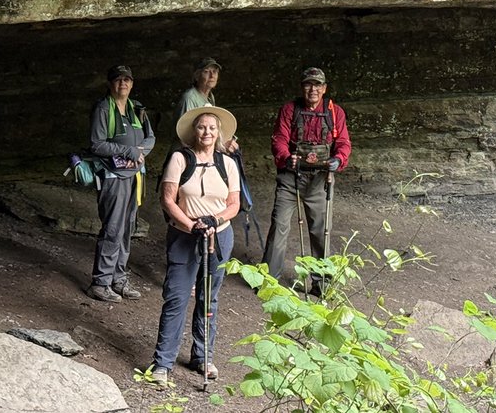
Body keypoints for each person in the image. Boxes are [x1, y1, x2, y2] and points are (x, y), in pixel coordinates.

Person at [148, 105, 241, 387]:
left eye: (212, 128)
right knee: (176, 296)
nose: (207, 132)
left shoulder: (228, 164)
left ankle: (202, 356)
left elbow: (234, 204)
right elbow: (167, 199)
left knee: (208, 297)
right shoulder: (179, 158)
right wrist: (191, 225)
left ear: (219, 133)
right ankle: (163, 362)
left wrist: (215, 220)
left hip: (218, 235)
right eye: (201, 127)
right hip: (184, 234)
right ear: (194, 131)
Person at [262, 67, 351, 289]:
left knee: (321, 231)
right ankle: (268, 281)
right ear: (302, 87)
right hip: (291, 177)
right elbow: (279, 140)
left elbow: (343, 143)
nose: (313, 89)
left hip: (320, 179)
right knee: (279, 226)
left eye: (317, 85)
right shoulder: (289, 110)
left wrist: (338, 160)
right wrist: (286, 157)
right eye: (308, 84)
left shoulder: (334, 112)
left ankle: (321, 285)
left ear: (324, 88)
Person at [88, 64, 155, 303]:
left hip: (135, 176)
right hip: (113, 177)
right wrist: (129, 151)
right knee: (113, 228)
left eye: (127, 80)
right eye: (118, 80)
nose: (123, 84)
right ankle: (100, 282)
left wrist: (141, 151)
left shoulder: (137, 108)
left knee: (127, 228)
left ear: (132, 84)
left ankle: (119, 278)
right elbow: (97, 144)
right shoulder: (103, 108)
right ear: (110, 83)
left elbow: (151, 137)